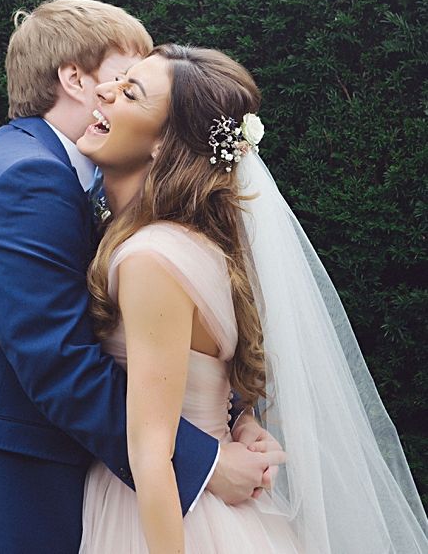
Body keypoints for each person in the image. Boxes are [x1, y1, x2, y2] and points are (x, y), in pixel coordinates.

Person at [0, 0, 283, 554]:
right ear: (75, 79)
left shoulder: (109, 197)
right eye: (123, 76)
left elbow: (188, 333)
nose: (115, 93)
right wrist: (207, 462)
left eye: (132, 89)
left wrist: (234, 414)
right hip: (2, 495)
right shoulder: (27, 180)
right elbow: (62, 362)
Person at [76, 44, 428, 553]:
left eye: (131, 92)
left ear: (165, 144)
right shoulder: (202, 245)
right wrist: (243, 420)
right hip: (216, 506)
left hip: (161, 514)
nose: (105, 90)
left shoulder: (150, 259)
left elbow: (151, 452)